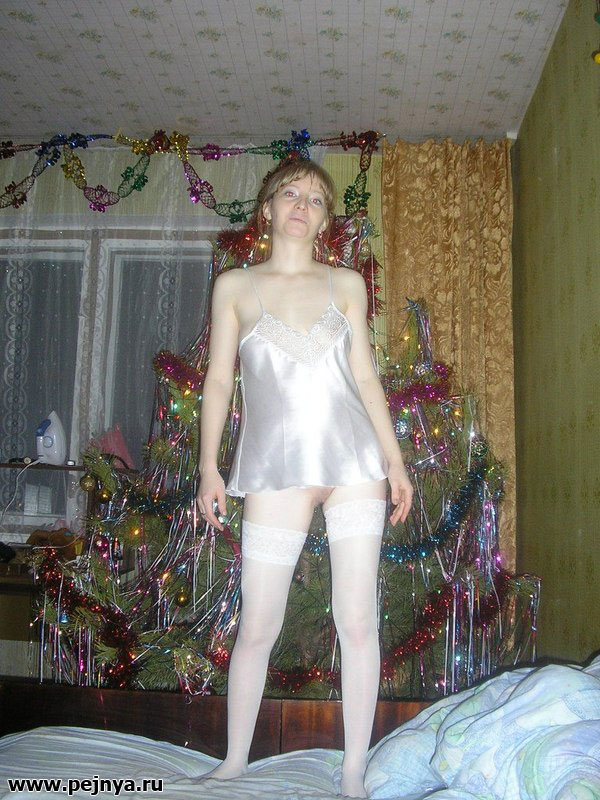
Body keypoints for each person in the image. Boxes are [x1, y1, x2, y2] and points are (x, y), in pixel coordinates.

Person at [196, 159, 413, 799]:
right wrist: (209, 466)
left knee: (358, 620)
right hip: (274, 468)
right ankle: (235, 760)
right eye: (290, 193)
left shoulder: (346, 284)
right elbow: (218, 380)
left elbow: (365, 377)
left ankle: (353, 772)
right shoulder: (235, 286)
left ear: (324, 220)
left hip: (355, 465)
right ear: (267, 208)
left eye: (316, 199)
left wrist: (396, 461)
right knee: (258, 623)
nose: (302, 204)